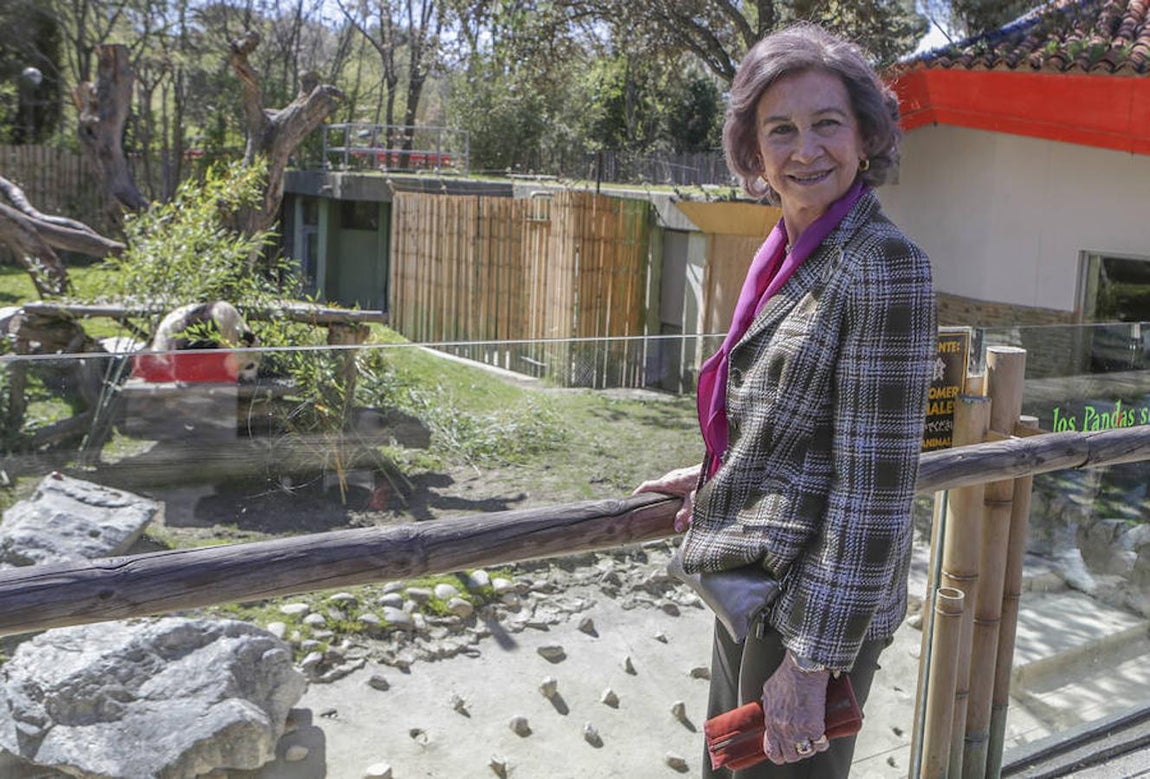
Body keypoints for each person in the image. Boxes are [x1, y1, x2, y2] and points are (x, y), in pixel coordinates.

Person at [635, 22, 936, 778]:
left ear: (865, 135)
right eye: (782, 130)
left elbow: (876, 489)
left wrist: (812, 663)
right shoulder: (792, 246)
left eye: (827, 123)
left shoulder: (883, 265)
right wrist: (714, 474)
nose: (806, 149)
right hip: (751, 584)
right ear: (755, 152)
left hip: (811, 610)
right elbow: (788, 417)